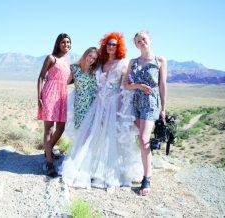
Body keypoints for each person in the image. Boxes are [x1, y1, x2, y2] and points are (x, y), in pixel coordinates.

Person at [61, 32, 142, 189]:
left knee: (112, 138)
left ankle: (113, 172)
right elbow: (82, 73)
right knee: (94, 135)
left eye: (114, 44)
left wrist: (124, 106)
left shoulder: (123, 63)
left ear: (119, 47)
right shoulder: (101, 64)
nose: (111, 47)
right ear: (105, 46)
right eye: (109, 44)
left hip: (114, 105)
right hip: (99, 104)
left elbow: (126, 85)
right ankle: (90, 168)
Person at [123, 30, 167, 195]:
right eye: (138, 41)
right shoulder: (132, 62)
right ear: (135, 45)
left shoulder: (160, 60)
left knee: (143, 138)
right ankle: (146, 166)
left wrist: (163, 108)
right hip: (135, 103)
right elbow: (126, 84)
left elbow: (162, 85)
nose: (141, 42)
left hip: (150, 103)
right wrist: (138, 86)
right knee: (142, 140)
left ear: (150, 40)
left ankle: (146, 178)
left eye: (144, 38)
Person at [37, 33, 72, 177]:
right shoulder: (51, 58)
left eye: (68, 42)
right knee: (49, 128)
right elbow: (41, 77)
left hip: (62, 96)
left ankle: (48, 149)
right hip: (50, 93)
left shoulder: (68, 60)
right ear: (58, 43)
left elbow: (67, 80)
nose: (66, 45)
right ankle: (49, 163)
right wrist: (39, 97)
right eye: (63, 42)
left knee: (61, 127)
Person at [69, 47, 100, 129]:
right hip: (79, 103)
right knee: (79, 129)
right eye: (90, 56)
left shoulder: (94, 71)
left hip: (92, 104)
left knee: (89, 130)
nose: (91, 59)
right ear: (85, 54)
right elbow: (65, 81)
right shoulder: (74, 68)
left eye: (94, 58)